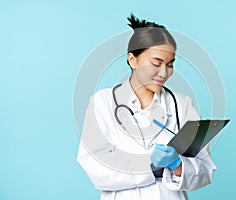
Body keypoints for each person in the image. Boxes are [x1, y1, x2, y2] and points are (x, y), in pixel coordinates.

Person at [77, 14, 216, 200]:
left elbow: (205, 172)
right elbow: (96, 168)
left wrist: (178, 165)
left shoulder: (182, 105)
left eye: (170, 65)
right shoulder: (102, 102)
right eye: (156, 63)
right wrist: (152, 168)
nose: (164, 73)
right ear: (133, 60)